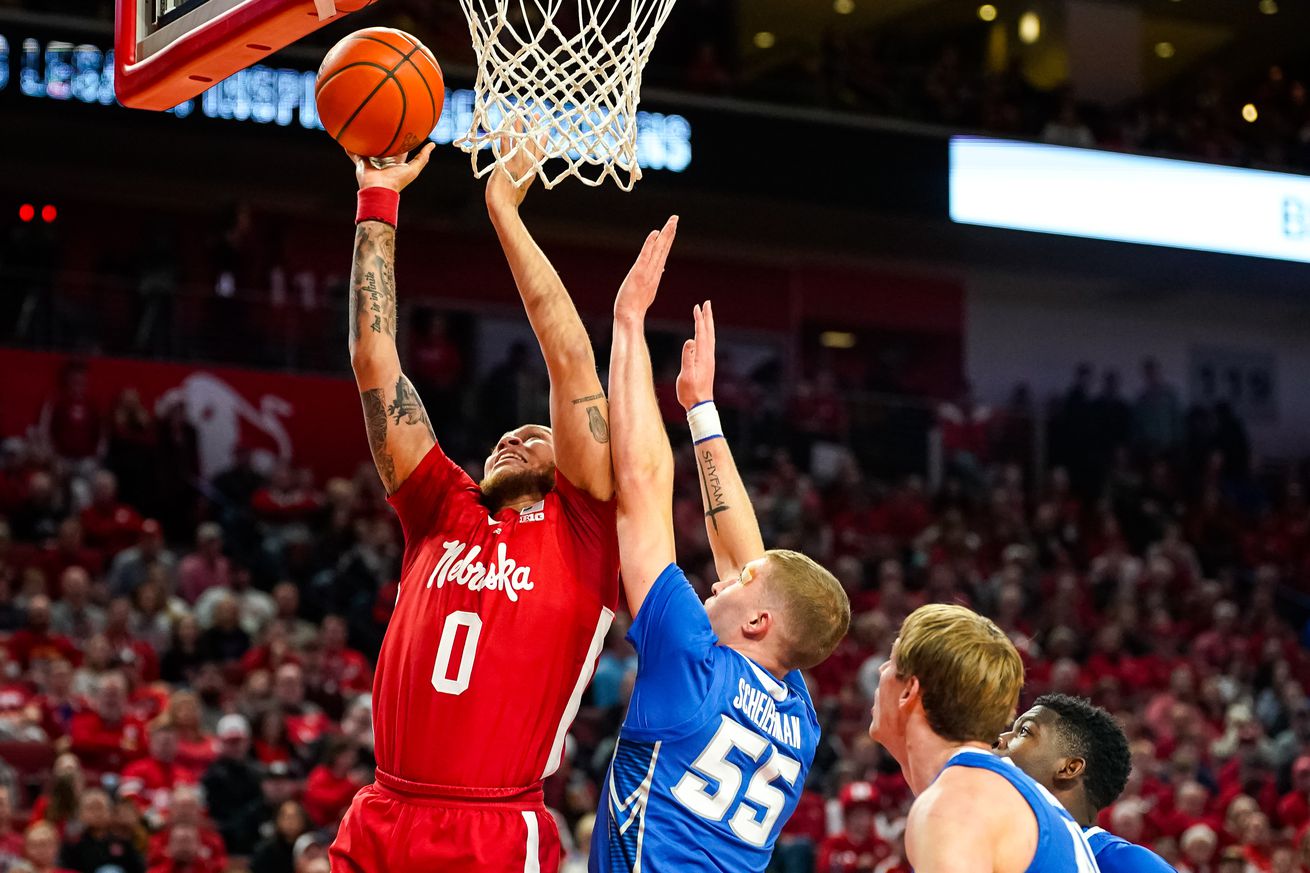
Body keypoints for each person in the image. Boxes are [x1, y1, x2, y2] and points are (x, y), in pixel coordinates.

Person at [329, 139, 622, 873]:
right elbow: (375, 360)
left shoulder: (585, 530)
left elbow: (572, 364)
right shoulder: (439, 505)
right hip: (382, 810)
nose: (513, 434)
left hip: (491, 824)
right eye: (507, 431)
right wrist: (378, 201)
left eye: (537, 432)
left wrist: (504, 211)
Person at [590, 238, 850, 869]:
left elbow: (643, 489)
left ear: (759, 622)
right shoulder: (799, 718)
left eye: (736, 585)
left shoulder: (690, 660)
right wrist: (700, 410)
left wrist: (627, 327)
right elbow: (753, 566)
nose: (719, 580)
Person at [867, 603, 1099, 873]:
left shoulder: (958, 805)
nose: (880, 670)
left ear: (909, 690)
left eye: (892, 660)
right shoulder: (994, 791)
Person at [997, 694, 1174, 873]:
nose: (1000, 739)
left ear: (1069, 768)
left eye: (1024, 731)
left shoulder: (1125, 864)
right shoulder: (993, 852)